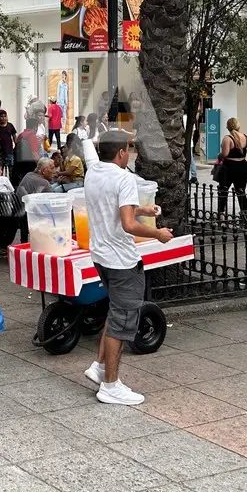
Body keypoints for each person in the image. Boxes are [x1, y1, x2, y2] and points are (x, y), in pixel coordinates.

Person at [82, 132, 172, 404]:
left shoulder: (93, 169)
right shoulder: (124, 178)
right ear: (121, 153)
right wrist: (159, 235)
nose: (130, 155)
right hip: (122, 260)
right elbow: (127, 224)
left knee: (115, 311)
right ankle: (110, 386)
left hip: (100, 255)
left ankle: (99, 367)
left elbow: (88, 142)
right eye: (128, 150)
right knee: (121, 322)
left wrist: (144, 209)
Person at [214, 118, 247, 215]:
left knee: (223, 190)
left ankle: (221, 213)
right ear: (238, 126)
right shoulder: (246, 137)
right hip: (243, 166)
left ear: (227, 127)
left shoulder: (227, 139)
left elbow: (225, 154)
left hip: (229, 167)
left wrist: (219, 155)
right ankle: (244, 213)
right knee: (241, 191)